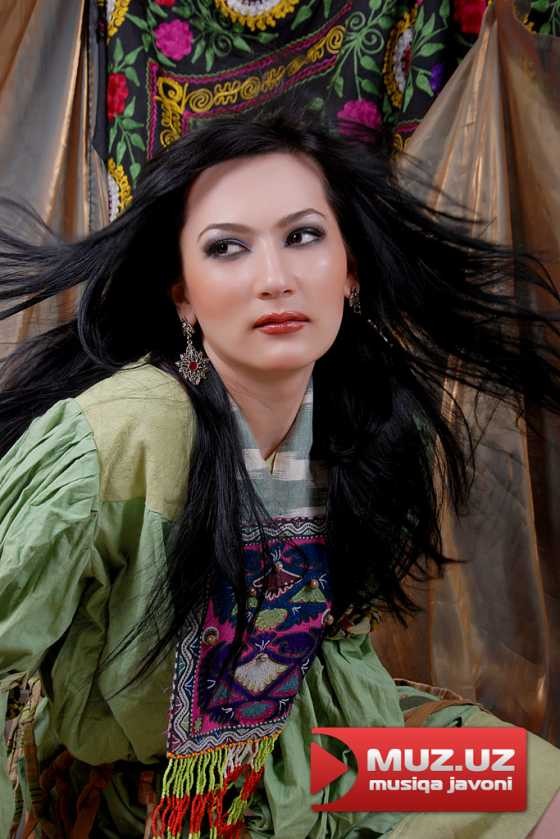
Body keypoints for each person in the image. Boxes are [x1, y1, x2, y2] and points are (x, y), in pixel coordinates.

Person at [1, 108, 559, 839]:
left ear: (349, 268)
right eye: (227, 248)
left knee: (536, 787)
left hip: (322, 766)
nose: (275, 279)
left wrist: (372, 773)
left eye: (302, 237)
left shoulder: (364, 417)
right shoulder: (123, 433)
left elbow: (338, 648)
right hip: (156, 803)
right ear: (183, 292)